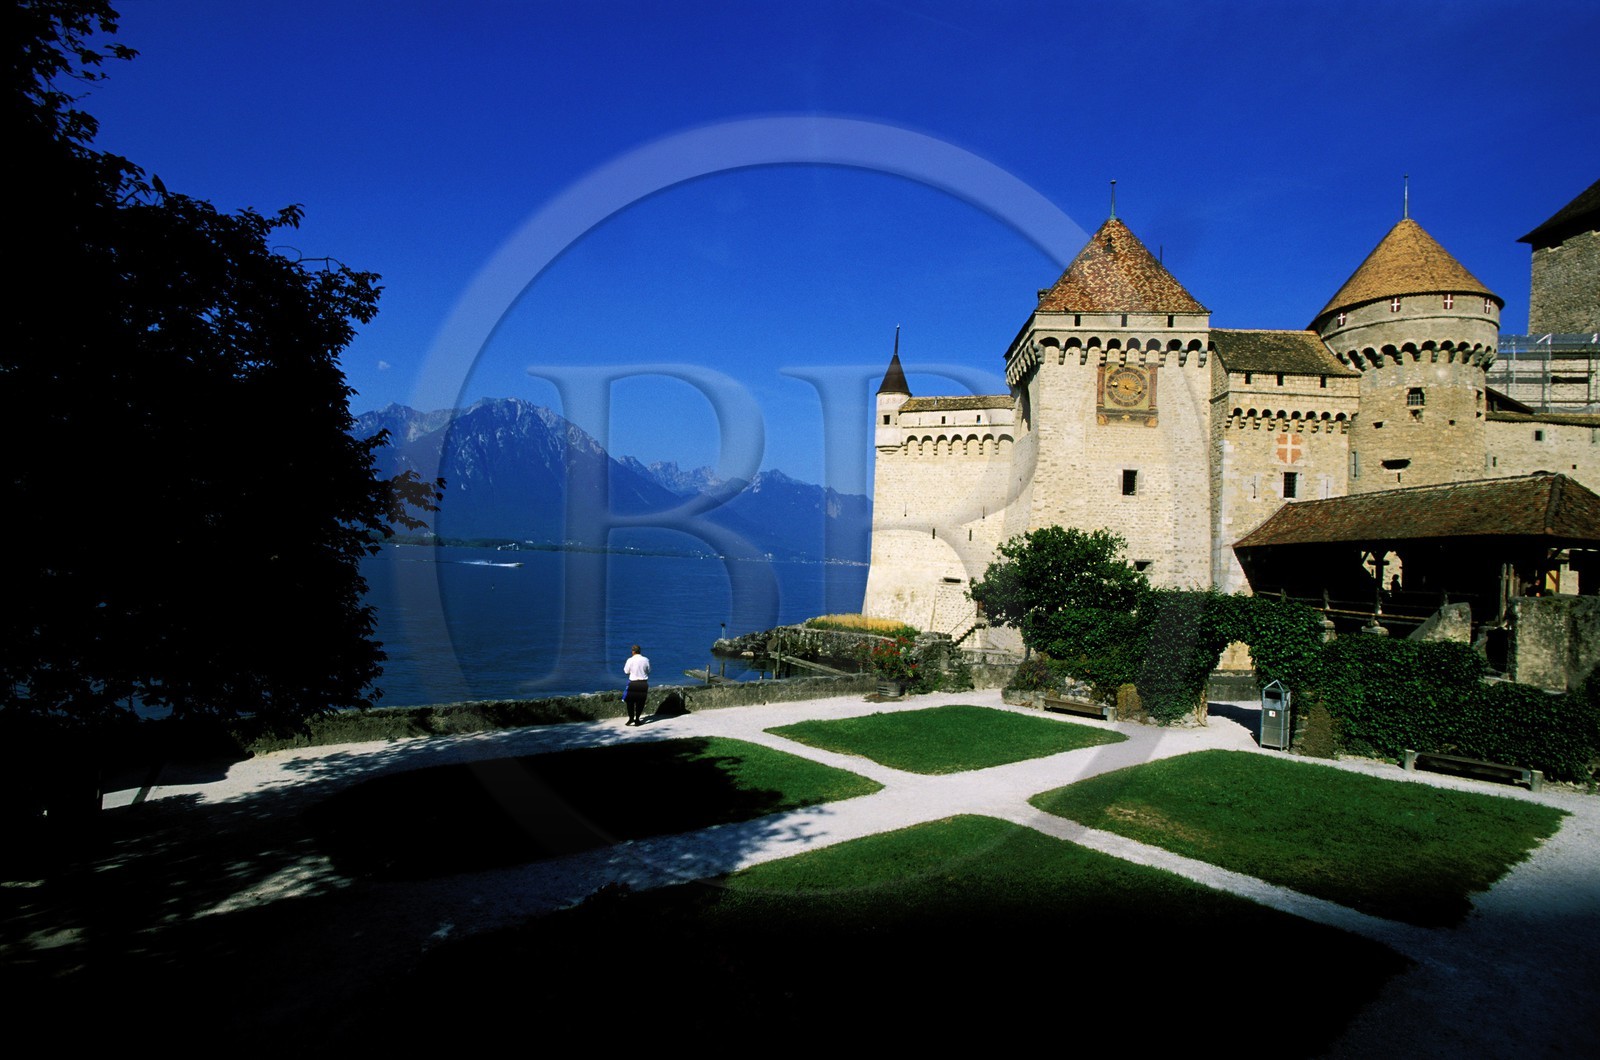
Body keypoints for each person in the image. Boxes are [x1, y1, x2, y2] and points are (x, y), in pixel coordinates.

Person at [622, 644, 651, 725]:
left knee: (630, 702)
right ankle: (637, 719)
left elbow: (626, 671)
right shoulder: (646, 659)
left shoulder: (630, 660)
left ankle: (631, 718)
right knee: (640, 702)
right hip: (643, 683)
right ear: (640, 651)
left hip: (633, 683)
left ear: (633, 652)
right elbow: (649, 670)